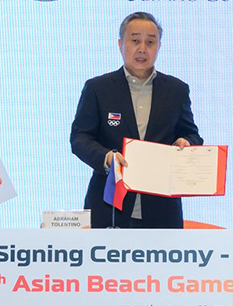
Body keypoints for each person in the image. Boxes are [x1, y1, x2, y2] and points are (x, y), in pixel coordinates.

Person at [70, 12, 204, 229]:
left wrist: (186, 143)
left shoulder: (176, 90)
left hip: (162, 209)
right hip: (109, 206)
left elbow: (191, 134)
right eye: (135, 41)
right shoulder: (98, 88)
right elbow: (80, 138)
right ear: (120, 44)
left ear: (159, 47)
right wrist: (107, 157)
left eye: (150, 42)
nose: (142, 48)